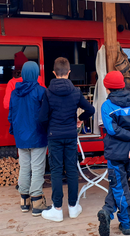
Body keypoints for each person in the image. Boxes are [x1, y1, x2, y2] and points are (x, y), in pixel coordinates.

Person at [38, 57, 95, 222]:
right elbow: (90, 109)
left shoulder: (48, 93)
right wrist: (80, 119)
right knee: (71, 170)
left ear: (54, 72)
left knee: (56, 171)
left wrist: (49, 129)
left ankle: (56, 209)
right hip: (70, 135)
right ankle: (72, 207)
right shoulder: (76, 92)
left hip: (54, 136)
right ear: (69, 72)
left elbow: (42, 118)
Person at [97, 70, 130, 236]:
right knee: (119, 185)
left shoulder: (106, 106)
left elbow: (112, 129)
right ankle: (108, 212)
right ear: (123, 85)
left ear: (107, 87)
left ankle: (126, 224)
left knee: (120, 188)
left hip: (115, 154)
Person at [8, 61, 48, 216]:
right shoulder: (41, 91)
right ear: (36, 74)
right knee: (37, 168)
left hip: (21, 135)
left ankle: (24, 200)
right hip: (37, 134)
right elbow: (45, 115)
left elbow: (11, 115)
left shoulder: (14, 93)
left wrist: (15, 131)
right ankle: (37, 202)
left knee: (24, 167)